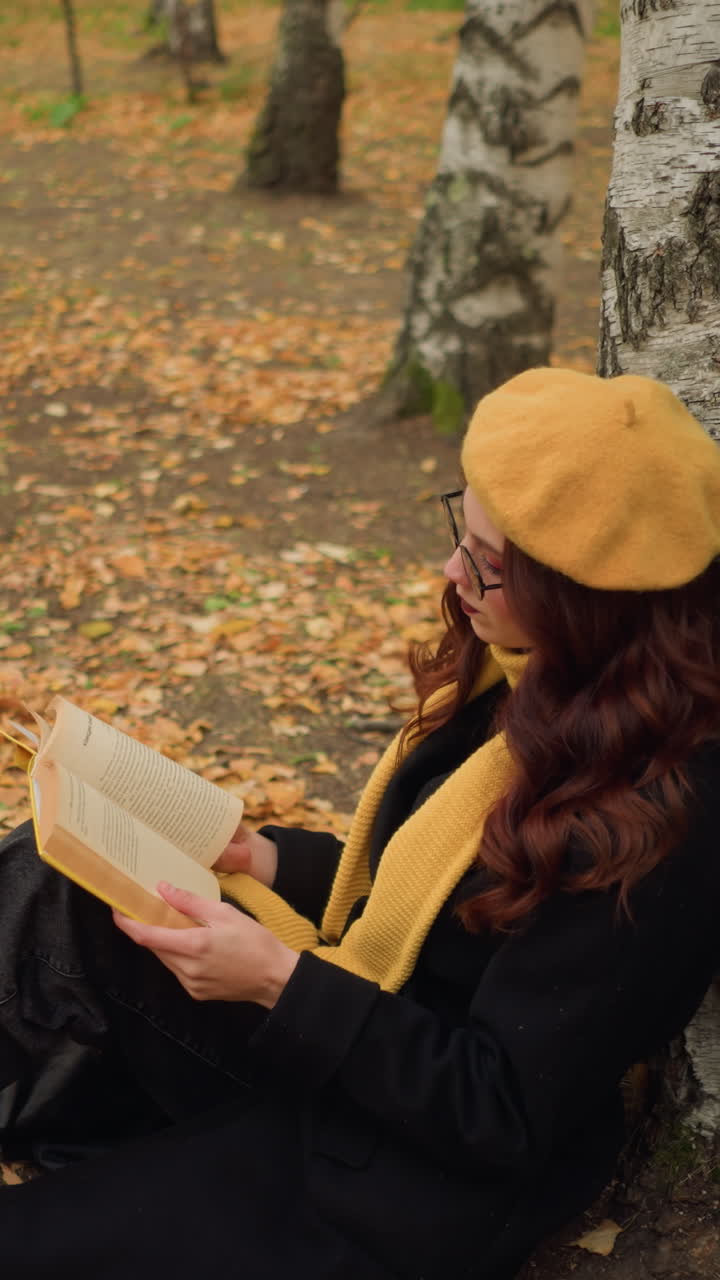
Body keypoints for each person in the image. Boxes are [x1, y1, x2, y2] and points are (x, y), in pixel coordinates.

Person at [0, 366, 719, 1280]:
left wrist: (275, 983)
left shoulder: (662, 816)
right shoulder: (528, 672)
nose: (452, 570)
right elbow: (432, 906)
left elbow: (502, 1111)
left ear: (588, 600)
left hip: (406, 1161)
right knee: (49, 881)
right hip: (343, 1034)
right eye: (465, 524)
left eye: (489, 563)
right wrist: (261, 856)